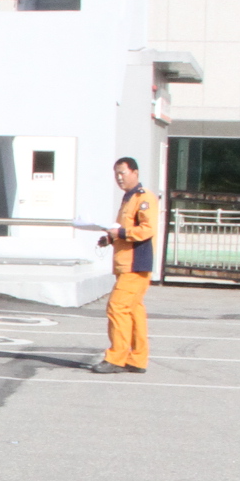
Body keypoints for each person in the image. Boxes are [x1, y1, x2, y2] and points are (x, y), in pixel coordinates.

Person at [93, 156, 156, 374]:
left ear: (135, 173)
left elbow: (147, 229)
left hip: (136, 264)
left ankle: (116, 358)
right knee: (133, 311)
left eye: (123, 173)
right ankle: (137, 359)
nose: (119, 178)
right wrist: (110, 238)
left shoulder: (143, 197)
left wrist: (119, 233)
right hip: (125, 265)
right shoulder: (128, 199)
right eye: (116, 174)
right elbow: (124, 229)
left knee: (117, 307)